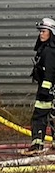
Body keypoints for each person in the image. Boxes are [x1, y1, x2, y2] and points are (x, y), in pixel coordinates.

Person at [30, 18, 55, 152]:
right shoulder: (46, 48)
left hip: (47, 91)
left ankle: (36, 146)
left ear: (51, 33)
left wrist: (44, 90)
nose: (41, 34)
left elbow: (50, 72)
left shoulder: (49, 51)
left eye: (44, 31)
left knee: (39, 117)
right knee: (52, 117)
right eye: (40, 32)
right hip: (51, 90)